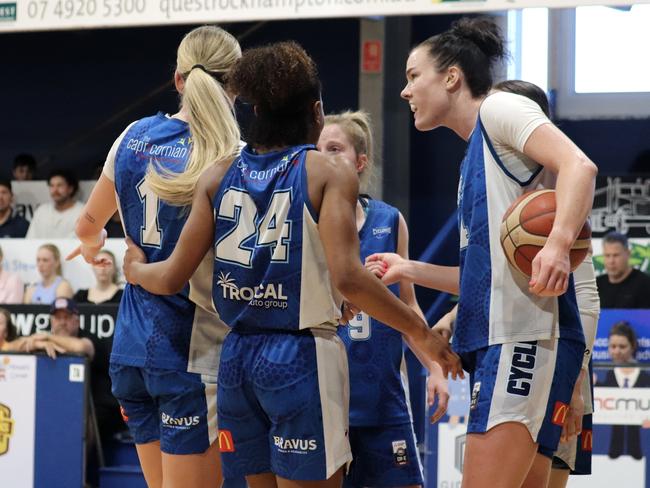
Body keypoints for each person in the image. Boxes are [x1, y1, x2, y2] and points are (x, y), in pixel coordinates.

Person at [122, 41, 462, 488]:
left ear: (254, 109)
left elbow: (167, 278)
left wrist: (131, 268)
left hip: (236, 360)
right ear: (316, 112)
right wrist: (421, 333)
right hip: (299, 357)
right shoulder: (325, 172)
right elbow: (349, 277)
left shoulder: (217, 174)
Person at [370, 18, 598, 487]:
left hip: (521, 337)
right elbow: (485, 273)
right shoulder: (475, 152)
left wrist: (556, 245)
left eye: (414, 76)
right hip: (509, 336)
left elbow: (580, 165)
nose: (404, 91)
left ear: (452, 77)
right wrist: (411, 272)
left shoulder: (499, 108)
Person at [68, 25, 242, 488]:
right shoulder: (232, 155)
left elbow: (87, 226)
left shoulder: (133, 135)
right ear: (236, 85)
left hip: (131, 348)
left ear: (178, 79)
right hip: (192, 350)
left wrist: (91, 248)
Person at [318, 110, 450, 488]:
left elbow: (407, 306)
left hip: (383, 398)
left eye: (335, 148)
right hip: (326, 402)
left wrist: (434, 368)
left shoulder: (389, 221)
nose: (324, 156)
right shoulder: (306, 223)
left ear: (360, 163)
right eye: (318, 149)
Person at [601, 321, 650, 460]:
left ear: (632, 346)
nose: (617, 351)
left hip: (641, 451)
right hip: (610, 451)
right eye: (613, 346)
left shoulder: (646, 376)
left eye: (622, 346)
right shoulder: (604, 375)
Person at [596, 231, 650, 309]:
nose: (611, 261)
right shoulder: (596, 286)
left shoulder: (645, 284)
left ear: (628, 254)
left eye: (616, 255)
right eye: (607, 255)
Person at [26, 169, 84, 238]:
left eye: (59, 185)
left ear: (70, 188)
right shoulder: (41, 211)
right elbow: (30, 239)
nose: (55, 190)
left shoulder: (83, 212)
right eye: (52, 186)